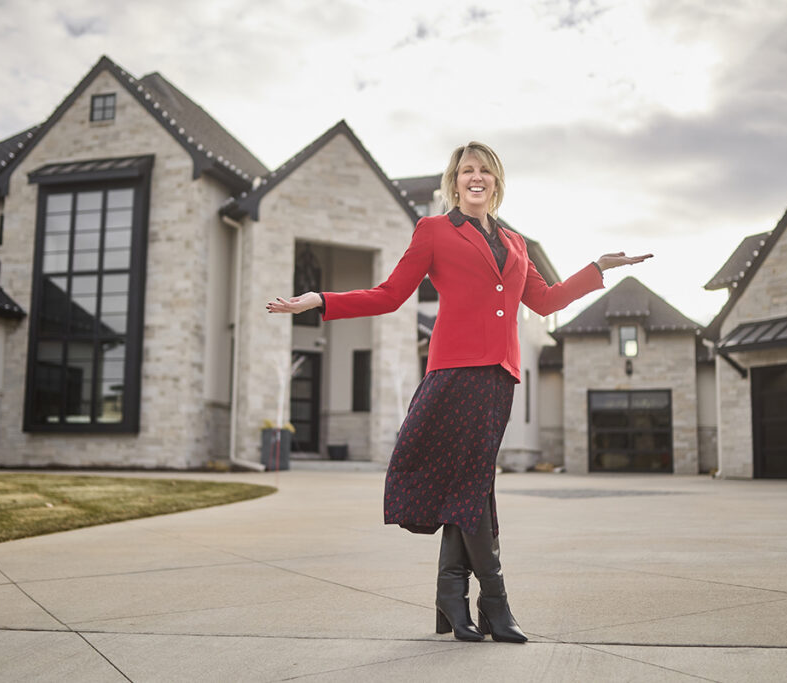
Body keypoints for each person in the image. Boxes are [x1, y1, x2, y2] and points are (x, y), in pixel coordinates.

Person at [267, 142, 651, 643]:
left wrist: (597, 268)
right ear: (454, 181)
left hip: (499, 377)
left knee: (470, 487)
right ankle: (494, 603)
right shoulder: (433, 231)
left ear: (496, 181)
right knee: (471, 486)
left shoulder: (516, 243)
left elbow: (544, 300)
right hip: (454, 375)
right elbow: (390, 294)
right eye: (467, 170)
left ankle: (451, 596)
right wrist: (321, 300)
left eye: (485, 170)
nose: (476, 177)